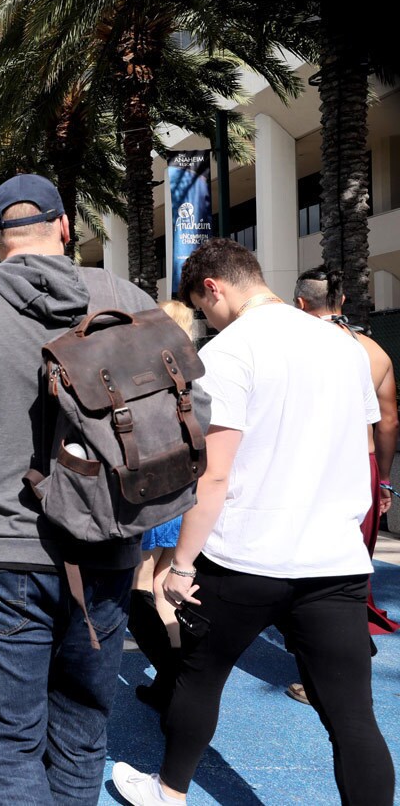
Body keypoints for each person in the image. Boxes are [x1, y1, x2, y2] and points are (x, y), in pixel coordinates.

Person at [0, 174, 166, 804]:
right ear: (66, 227)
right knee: (81, 736)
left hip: (1, 551)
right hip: (106, 547)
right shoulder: (123, 296)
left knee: (8, 746)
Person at [113, 239, 394, 806]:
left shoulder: (229, 352)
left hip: (245, 555)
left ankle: (168, 792)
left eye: (201, 305)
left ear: (212, 287)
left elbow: (214, 477)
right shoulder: (346, 347)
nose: (205, 318)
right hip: (333, 558)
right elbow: (363, 444)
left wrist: (182, 566)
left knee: (200, 675)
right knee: (353, 716)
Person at [292, 266, 399, 639]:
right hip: (363, 462)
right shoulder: (373, 351)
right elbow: (388, 422)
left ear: (300, 303)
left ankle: (328, 655)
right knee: (348, 564)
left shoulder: (293, 347)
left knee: (311, 566)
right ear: (343, 300)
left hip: (309, 465)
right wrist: (383, 478)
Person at [126, 299, 196, 713]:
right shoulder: (194, 374)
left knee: (141, 585)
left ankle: (169, 676)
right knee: (165, 588)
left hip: (154, 492)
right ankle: (176, 678)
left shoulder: (149, 376)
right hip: (186, 494)